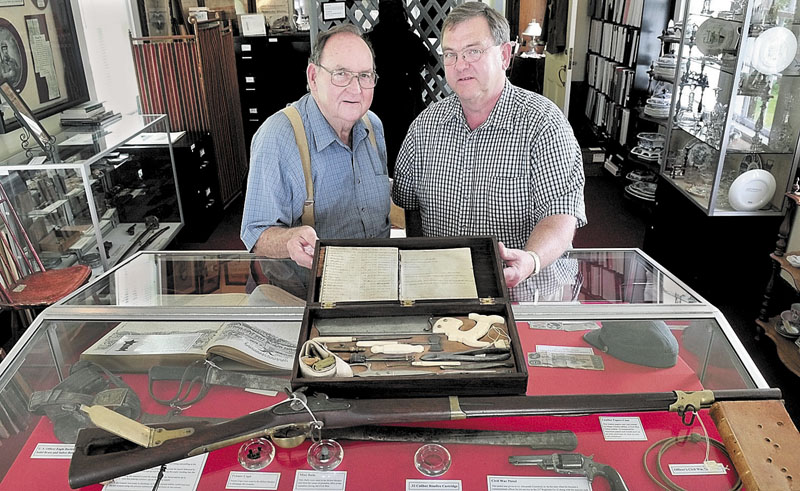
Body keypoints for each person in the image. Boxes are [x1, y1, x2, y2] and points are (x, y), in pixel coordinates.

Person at [392, 2, 586, 293]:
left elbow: (560, 215)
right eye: (451, 54)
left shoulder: (544, 125)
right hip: (447, 291)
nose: (460, 65)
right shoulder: (424, 128)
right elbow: (409, 206)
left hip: (522, 293)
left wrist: (530, 260)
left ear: (505, 55)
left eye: (473, 51)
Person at [241, 24, 390, 269]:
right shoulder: (278, 136)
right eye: (340, 73)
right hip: (307, 294)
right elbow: (255, 233)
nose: (356, 89)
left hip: (373, 279)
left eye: (365, 75)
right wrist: (289, 239)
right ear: (313, 77)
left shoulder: (373, 126)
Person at [365, 0, 429, 176]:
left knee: (378, 141)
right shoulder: (410, 39)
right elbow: (426, 59)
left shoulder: (370, 39)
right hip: (403, 97)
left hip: (378, 97)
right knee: (401, 143)